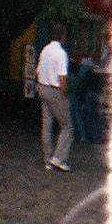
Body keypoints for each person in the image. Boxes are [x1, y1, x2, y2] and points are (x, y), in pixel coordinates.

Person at [36, 24, 73, 171]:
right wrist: (65, 95)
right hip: (54, 89)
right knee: (67, 125)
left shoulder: (45, 50)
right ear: (62, 36)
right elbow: (62, 78)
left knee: (47, 124)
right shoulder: (61, 53)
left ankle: (48, 158)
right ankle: (59, 158)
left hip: (42, 87)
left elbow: (38, 71)